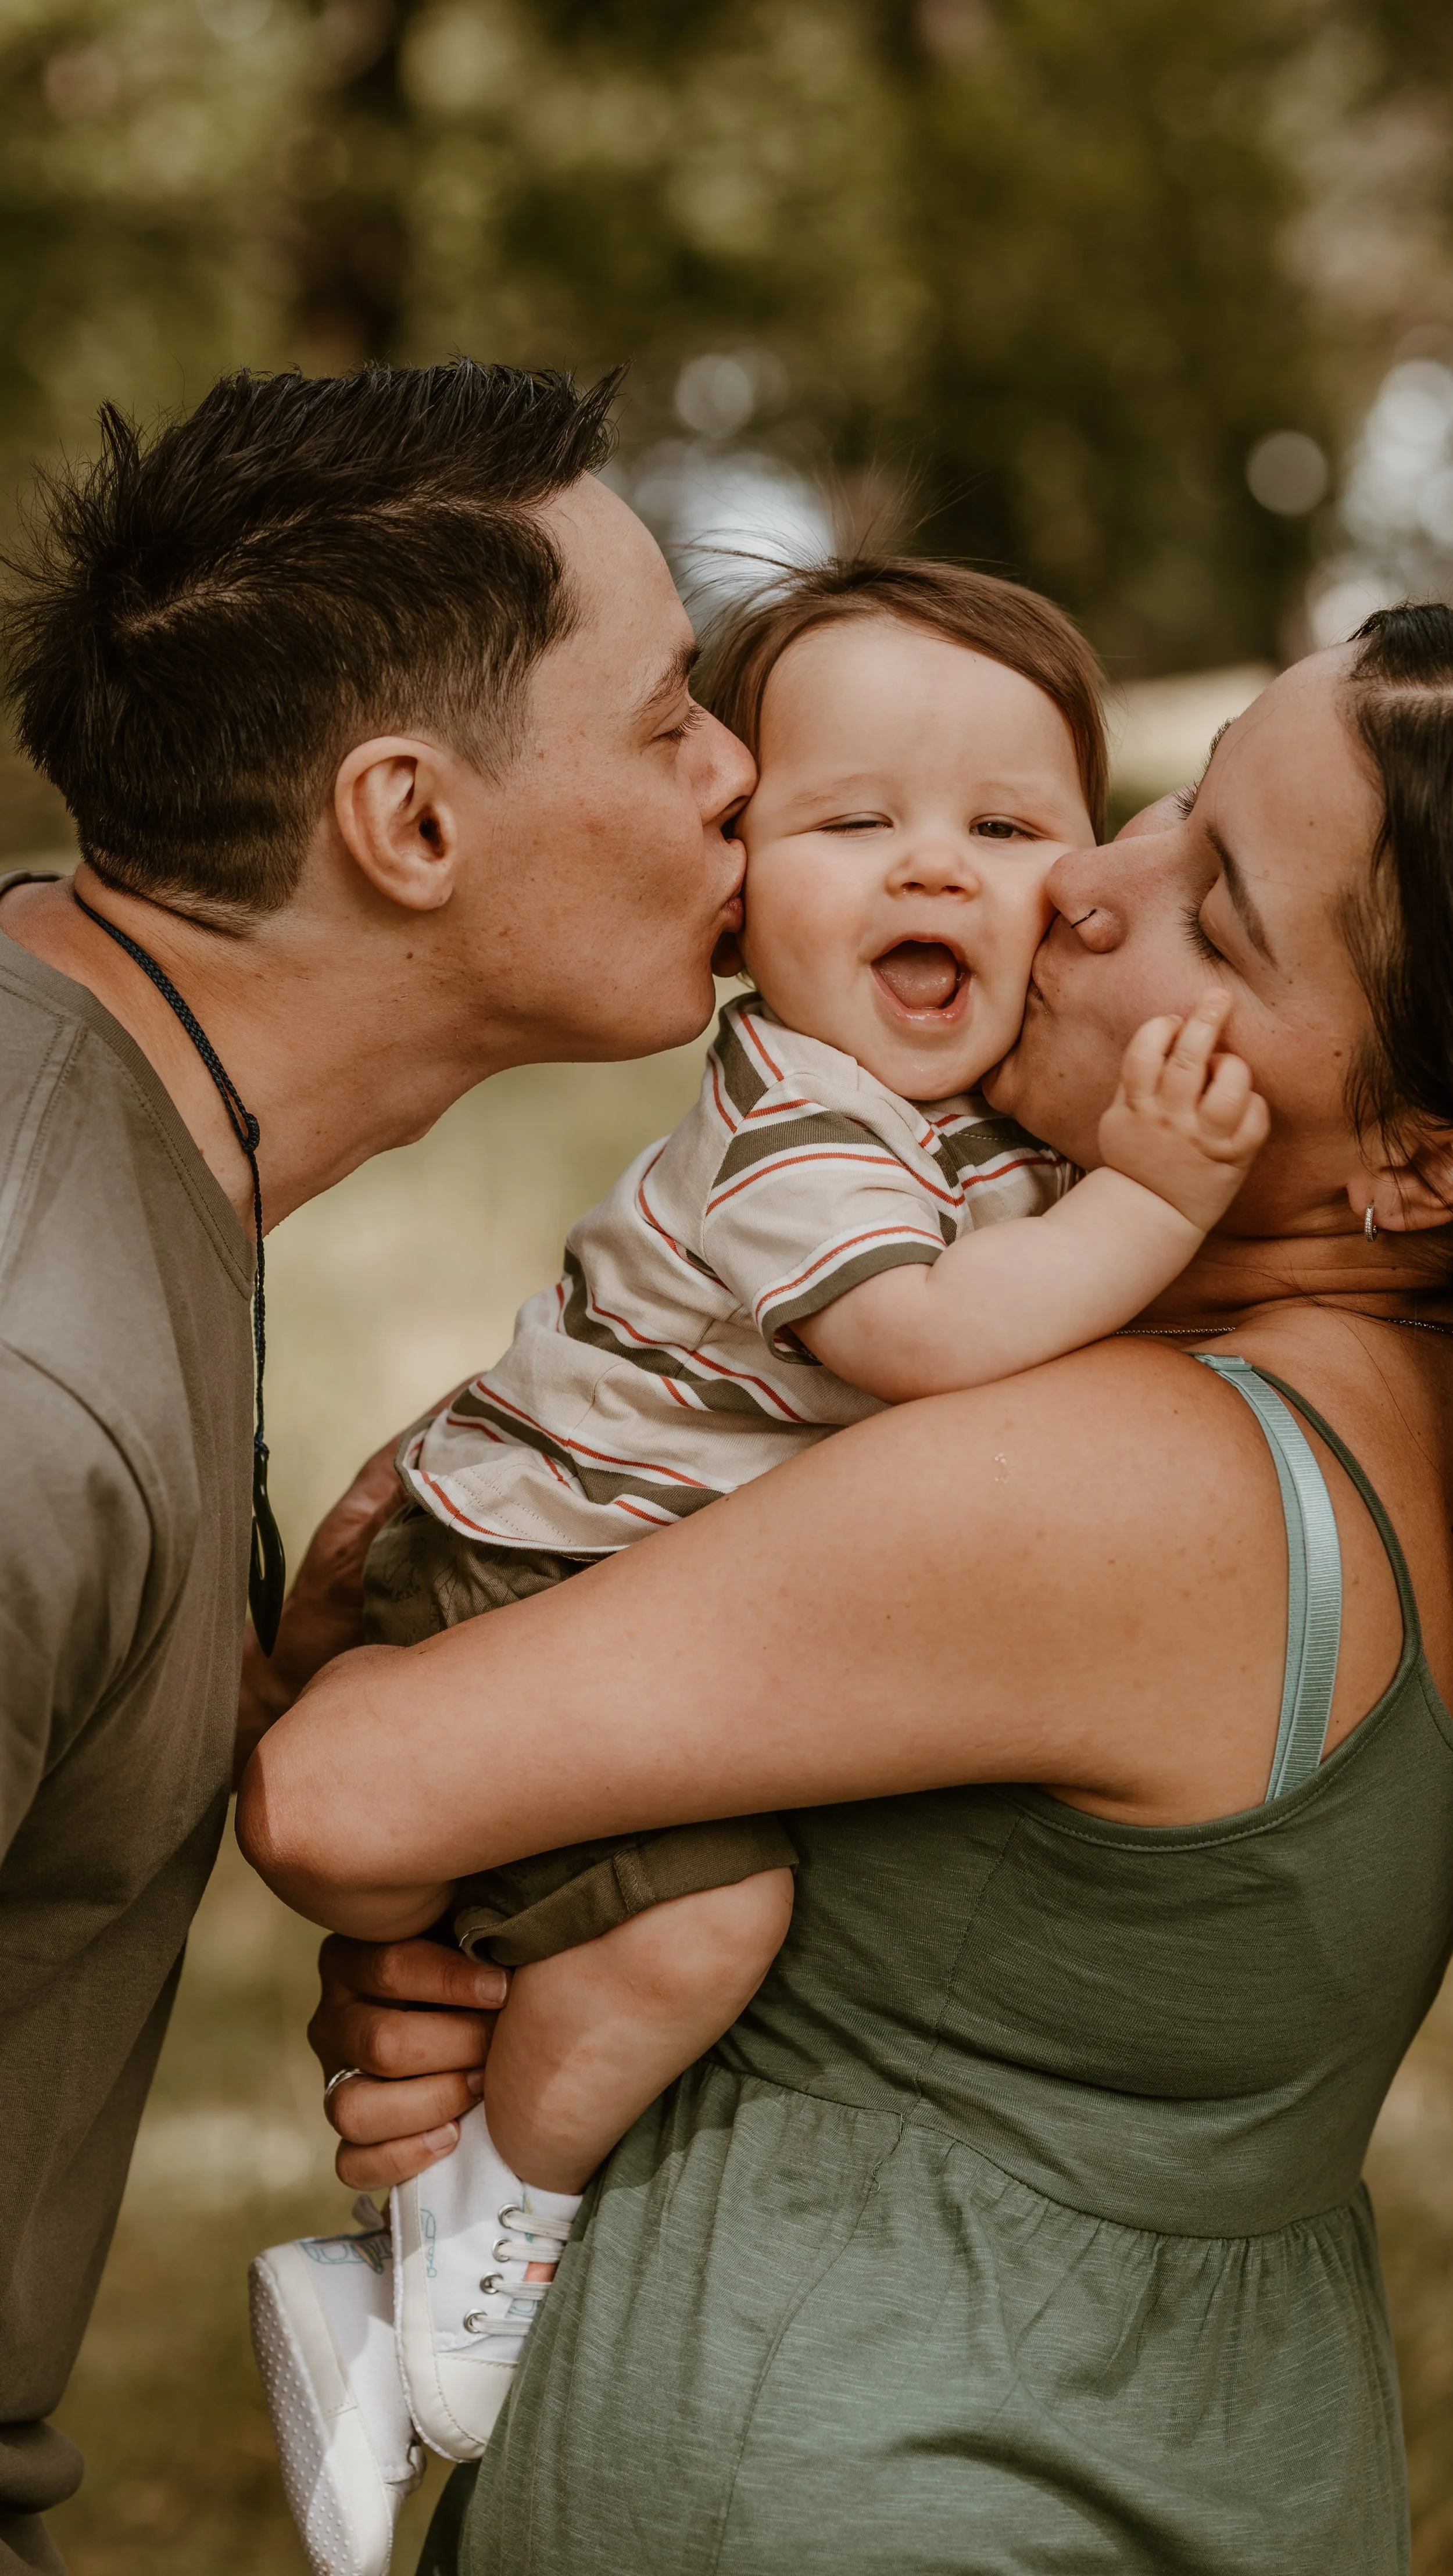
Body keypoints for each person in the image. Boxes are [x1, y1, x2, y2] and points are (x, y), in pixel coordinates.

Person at [245, 602, 1453, 2574]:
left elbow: (338, 1790)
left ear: (1412, 1157)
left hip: (878, 2485)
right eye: (1164, 804)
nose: (1076, 888)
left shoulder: (1131, 1481)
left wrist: (442, 1906)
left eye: (1214, 917)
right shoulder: (1370, 1420)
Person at [0, 356, 756, 2576]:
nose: (744, 780)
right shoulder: (26, 1370)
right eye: (669, 721)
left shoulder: (111, 1092)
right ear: (409, 823)